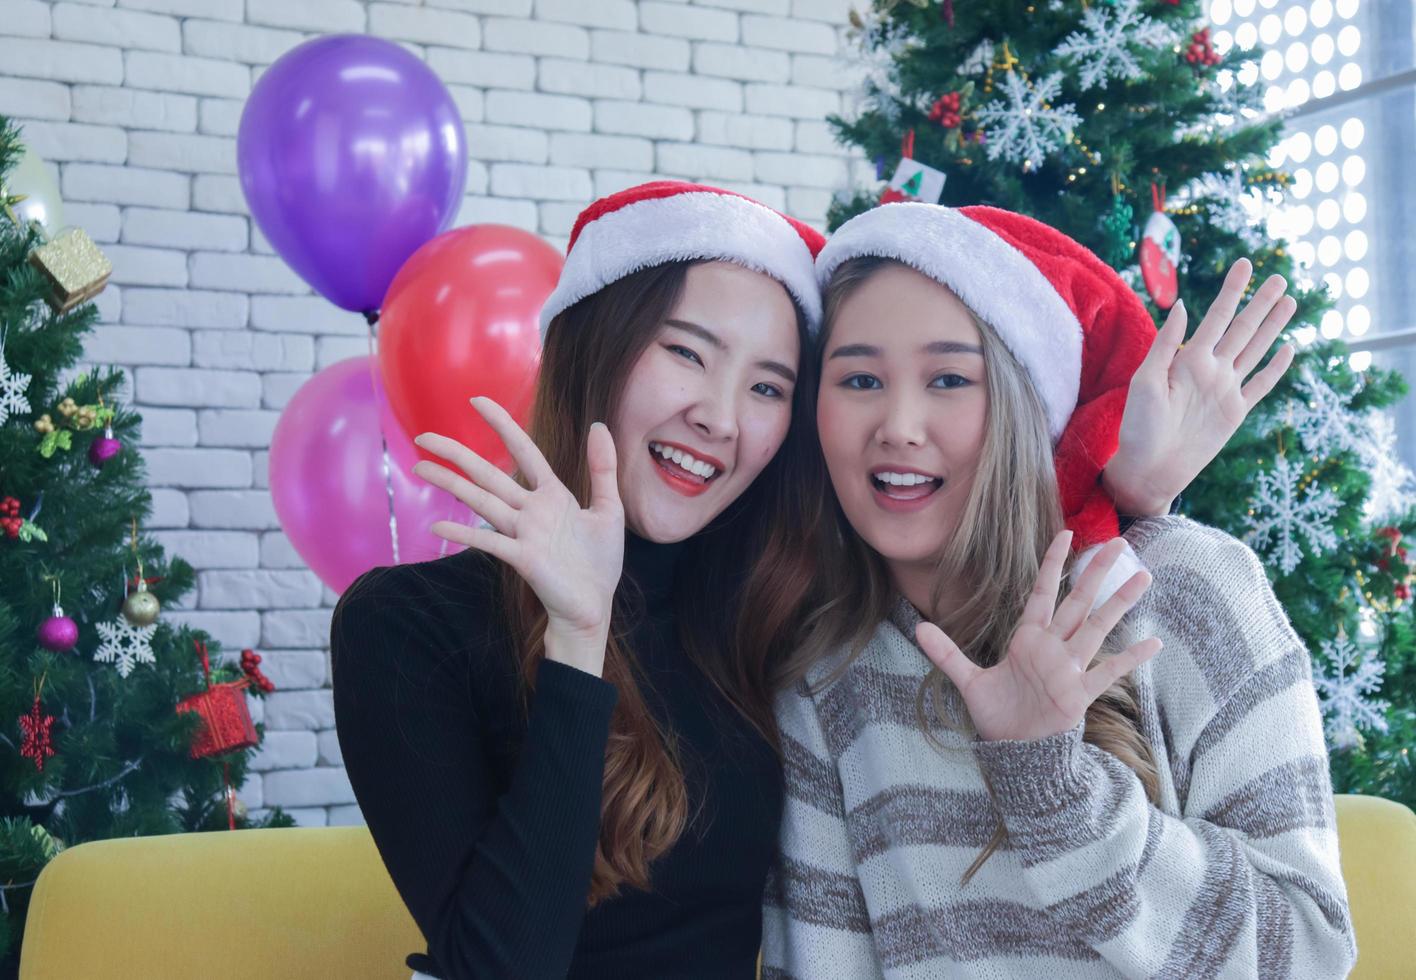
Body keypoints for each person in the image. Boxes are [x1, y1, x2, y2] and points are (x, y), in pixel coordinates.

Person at [762, 202, 1355, 979]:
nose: (899, 425)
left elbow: (1307, 953)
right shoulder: (825, 668)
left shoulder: (1186, 593)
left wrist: (1054, 793)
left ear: (1021, 403)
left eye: (949, 378)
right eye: (860, 379)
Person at [332, 181, 828, 980]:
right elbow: (503, 967)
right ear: (594, 349)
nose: (722, 418)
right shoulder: (407, 625)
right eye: (687, 353)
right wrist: (577, 638)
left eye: (767, 387)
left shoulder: (760, 618)